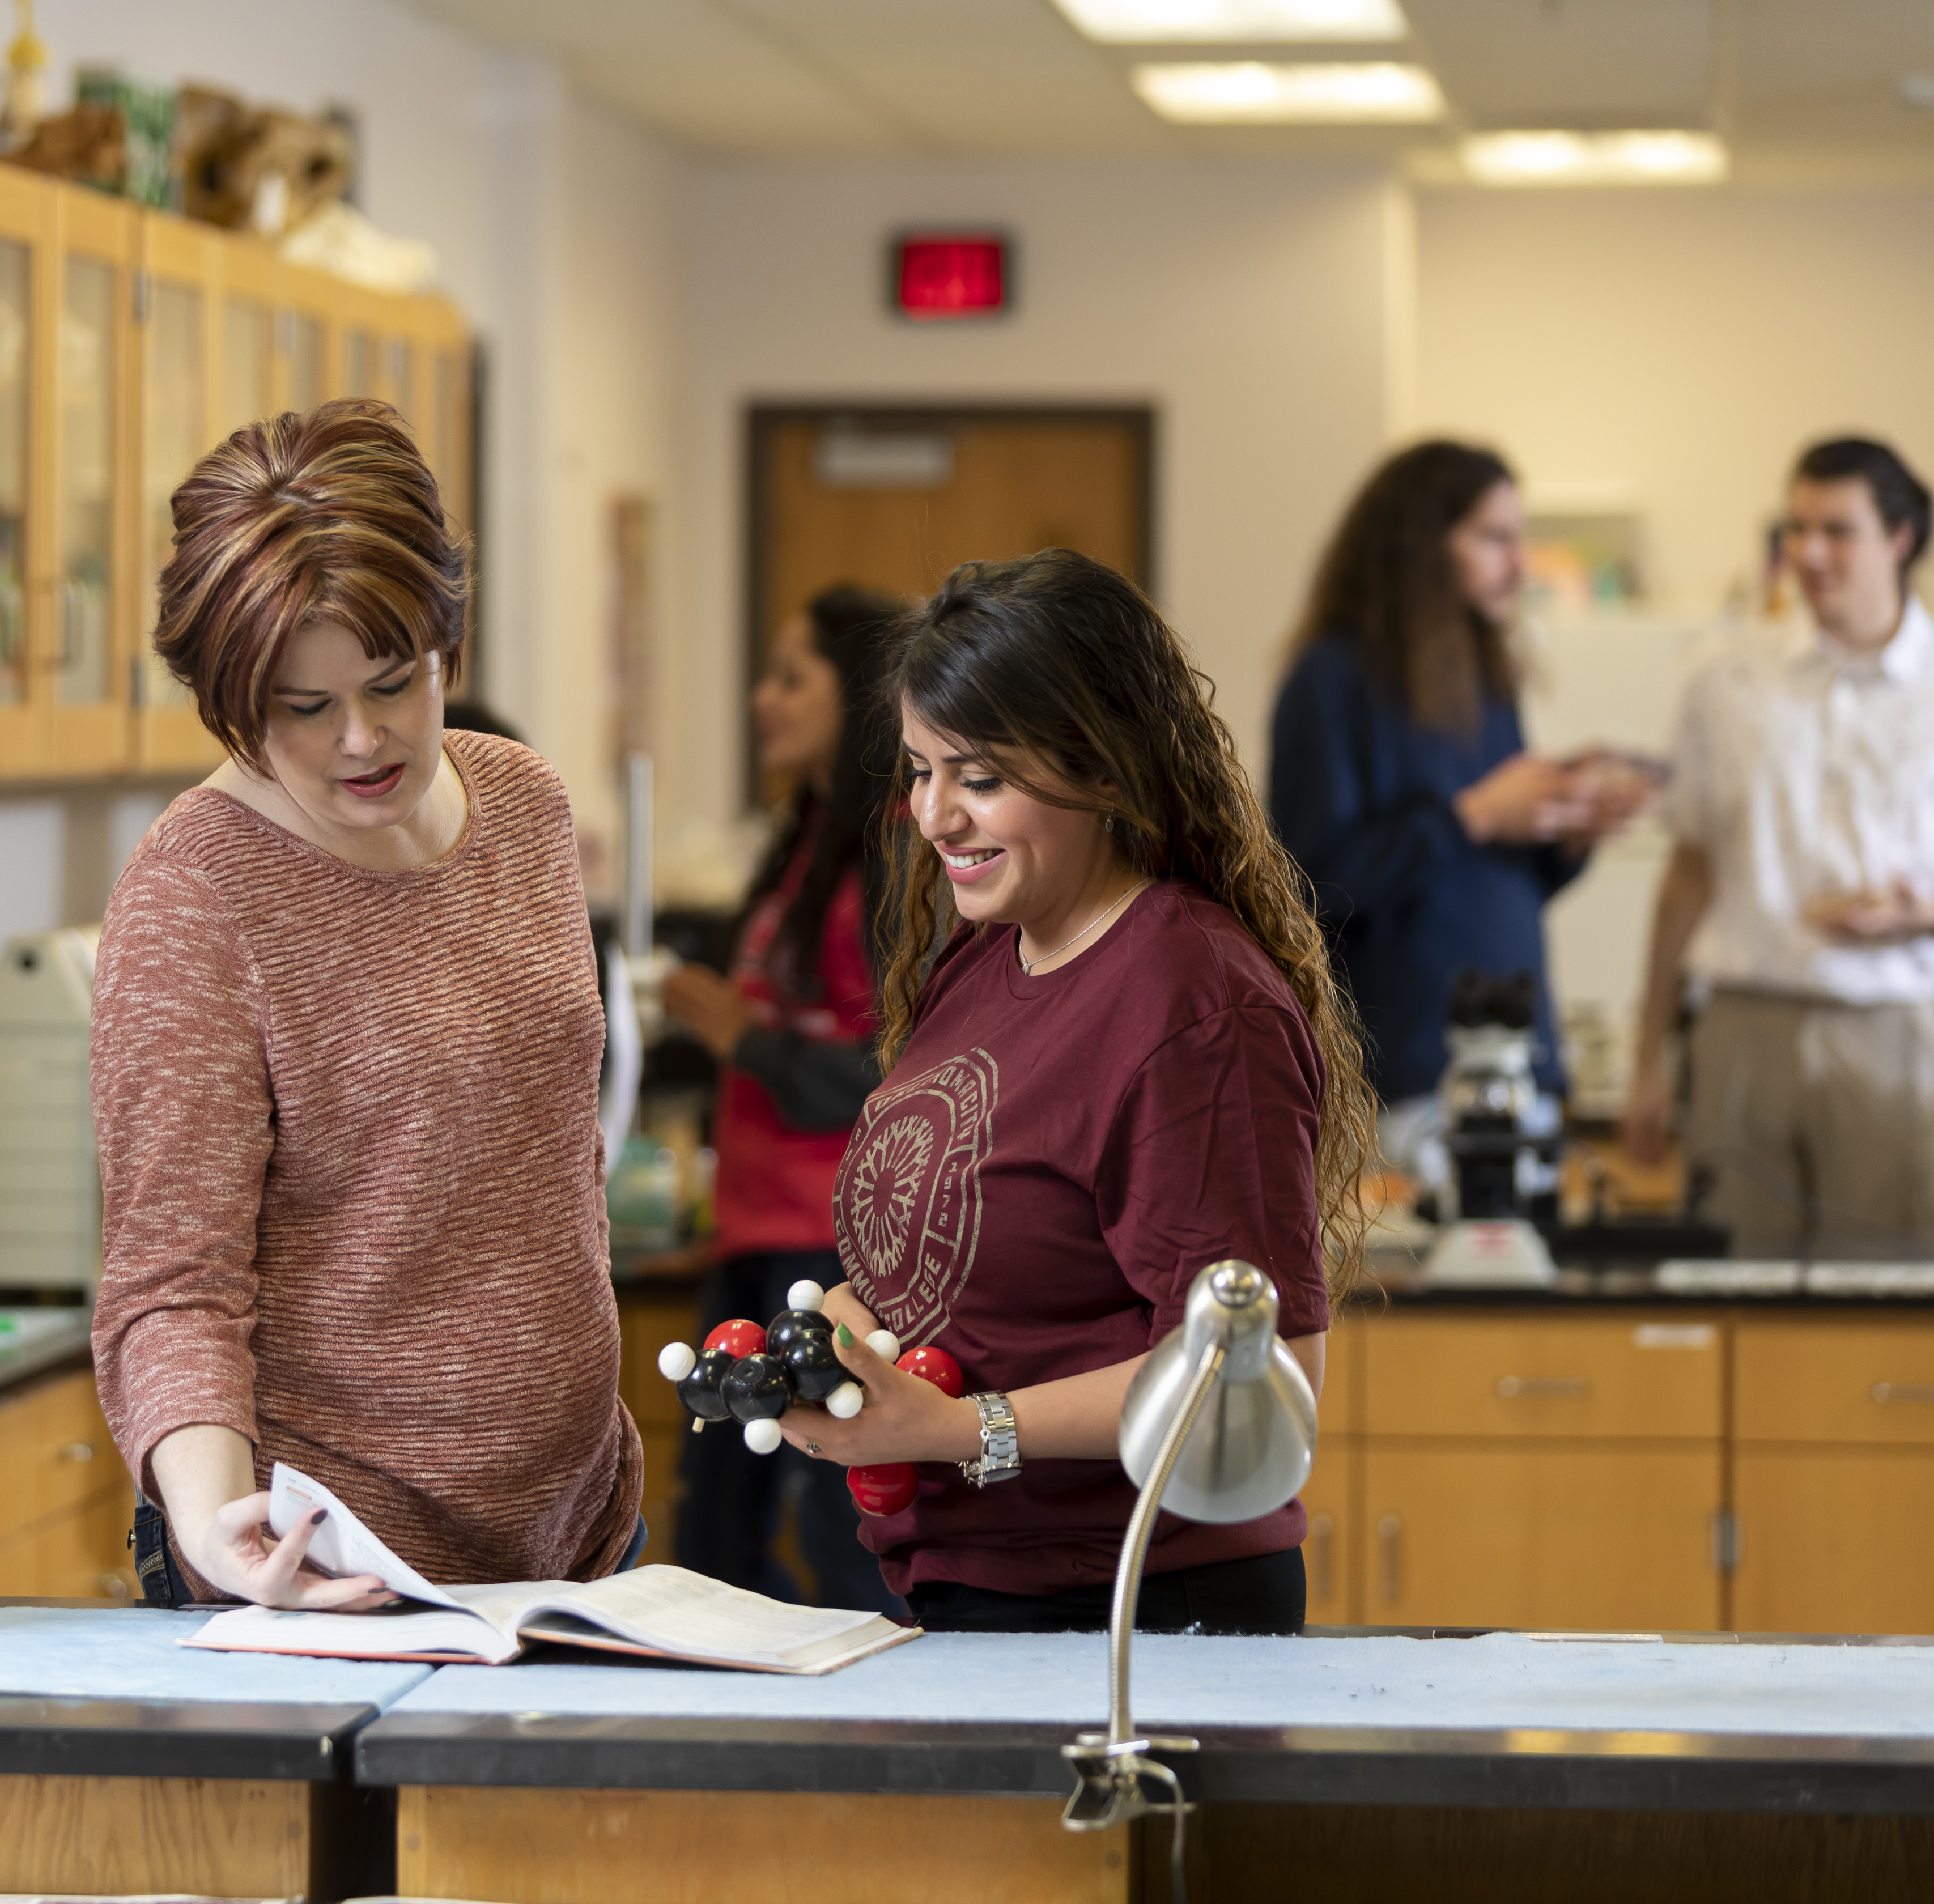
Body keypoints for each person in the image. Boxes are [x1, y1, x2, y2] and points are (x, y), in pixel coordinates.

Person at [89, 399, 642, 1608]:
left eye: (396, 683)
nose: (364, 739)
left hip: (577, 1532)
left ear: (450, 640)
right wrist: (217, 1531)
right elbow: (172, 1282)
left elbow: (548, 1154)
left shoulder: (525, 806)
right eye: (304, 707)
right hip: (334, 1560)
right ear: (231, 696)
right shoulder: (199, 892)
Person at [777, 550, 1378, 1635]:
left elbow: (1270, 1364)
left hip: (1139, 1610)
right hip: (974, 1590)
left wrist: (963, 1430)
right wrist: (839, 1338)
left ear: (1102, 769)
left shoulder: (1191, 1003)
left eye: (981, 778)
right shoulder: (989, 955)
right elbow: (967, 1270)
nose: (936, 818)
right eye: (919, 771)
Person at [1269, 441, 1643, 1176]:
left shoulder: (1484, 679)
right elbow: (1310, 887)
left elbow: (1497, 882)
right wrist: (1472, 814)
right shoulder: (1330, 679)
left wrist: (1567, 836)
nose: (1520, 564)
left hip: (1517, 1061)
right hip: (1408, 1077)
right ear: (1421, 546)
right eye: (1495, 539)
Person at [660, 583, 907, 1618]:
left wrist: (746, 1041)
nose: (764, 700)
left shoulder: (897, 845)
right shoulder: (800, 837)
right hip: (753, 1230)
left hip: (829, 1238)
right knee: (714, 1535)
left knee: (830, 1535)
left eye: (790, 677)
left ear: (852, 695)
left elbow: (898, 1080)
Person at [1622, 438, 1934, 1258]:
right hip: (1740, 1027)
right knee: (1733, 1291)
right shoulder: (1721, 676)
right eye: (1796, 530)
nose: (1810, 554)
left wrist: (1919, 913)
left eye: (1838, 530)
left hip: (1896, 1030)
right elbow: (1685, 877)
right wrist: (1647, 1059)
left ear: (1900, 538)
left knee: (1886, 1304)